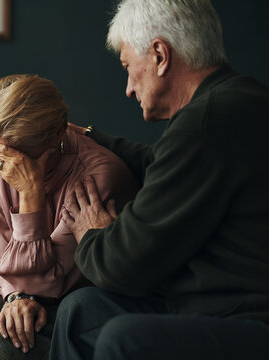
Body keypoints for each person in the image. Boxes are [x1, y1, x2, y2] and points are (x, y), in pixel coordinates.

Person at [52, 0, 269, 359]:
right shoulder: (237, 102)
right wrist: (90, 136)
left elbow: (119, 266)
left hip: (247, 322)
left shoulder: (205, 124)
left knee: (123, 337)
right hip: (220, 308)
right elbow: (159, 162)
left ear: (159, 55)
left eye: (127, 67)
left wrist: (91, 233)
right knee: (82, 311)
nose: (128, 89)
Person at [0, 74, 139, 359]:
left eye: (16, 154)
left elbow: (54, 279)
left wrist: (30, 193)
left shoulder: (99, 176)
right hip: (31, 285)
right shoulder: (9, 160)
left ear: (56, 135)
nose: (4, 164)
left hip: (80, 300)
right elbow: (3, 248)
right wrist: (15, 297)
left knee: (8, 338)